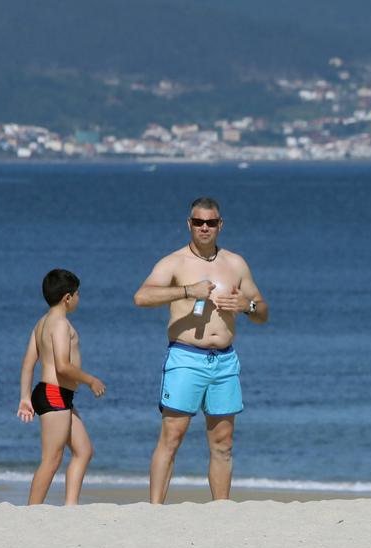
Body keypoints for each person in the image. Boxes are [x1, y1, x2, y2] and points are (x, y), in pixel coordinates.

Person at [133, 197, 268, 503]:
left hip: (224, 361)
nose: (204, 228)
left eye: (211, 222)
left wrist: (246, 306)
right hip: (186, 358)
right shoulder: (174, 262)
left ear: (220, 225)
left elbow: (262, 311)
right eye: (198, 222)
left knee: (223, 442)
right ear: (189, 224)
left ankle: (220, 509)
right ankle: (154, 510)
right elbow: (141, 297)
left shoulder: (235, 263)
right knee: (172, 436)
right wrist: (186, 291)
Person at [17, 269, 106, 505]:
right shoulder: (60, 324)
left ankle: (71, 506)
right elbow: (63, 366)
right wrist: (90, 380)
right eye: (78, 294)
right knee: (52, 459)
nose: (79, 298)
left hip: (55, 394)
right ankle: (32, 510)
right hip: (54, 394)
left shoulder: (41, 322)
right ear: (68, 297)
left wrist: (25, 397)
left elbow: (27, 364)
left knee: (84, 450)